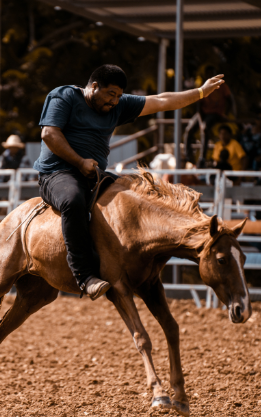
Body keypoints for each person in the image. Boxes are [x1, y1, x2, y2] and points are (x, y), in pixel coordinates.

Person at [33, 64, 225, 298]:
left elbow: (162, 101)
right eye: (110, 94)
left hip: (93, 174)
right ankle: (84, 276)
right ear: (94, 87)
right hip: (58, 173)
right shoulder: (64, 96)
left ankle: (129, 267)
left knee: (137, 196)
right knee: (73, 201)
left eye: (118, 96)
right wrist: (80, 161)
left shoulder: (119, 105)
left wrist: (201, 92)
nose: (114, 101)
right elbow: (49, 134)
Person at [185, 65, 232, 162]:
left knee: (205, 128)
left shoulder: (222, 86)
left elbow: (230, 101)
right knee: (189, 129)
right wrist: (200, 120)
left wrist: (226, 114)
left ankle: (203, 157)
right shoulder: (203, 85)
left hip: (215, 113)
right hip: (203, 113)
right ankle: (188, 156)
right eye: (208, 73)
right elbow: (198, 105)